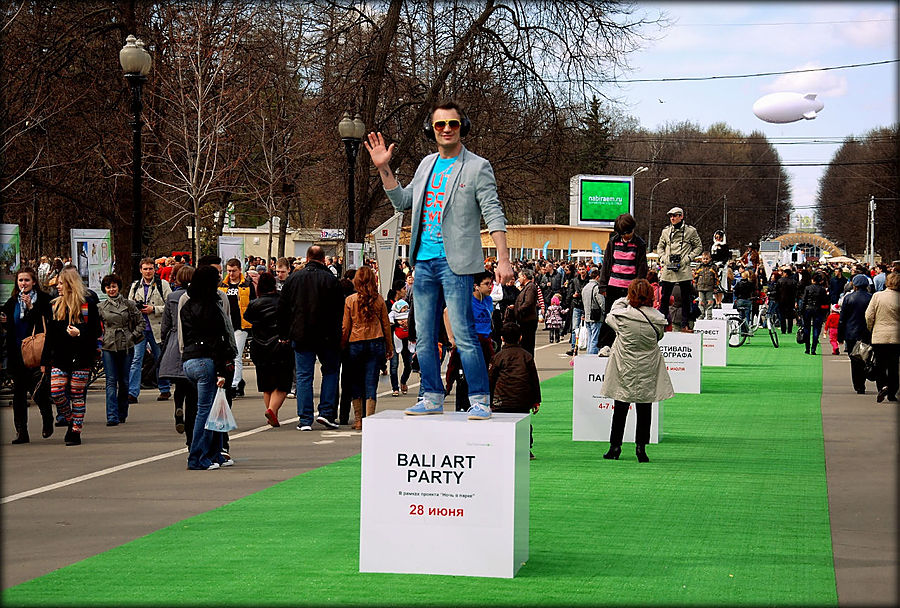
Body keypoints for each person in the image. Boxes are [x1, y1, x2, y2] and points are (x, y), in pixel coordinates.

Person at [365, 99, 512, 420]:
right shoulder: (427, 164)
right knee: (424, 336)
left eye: (453, 124)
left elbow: (493, 211)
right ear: (432, 130)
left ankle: (480, 399)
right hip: (424, 261)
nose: (446, 129)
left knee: (462, 332)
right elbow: (404, 200)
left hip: (456, 263)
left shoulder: (477, 166)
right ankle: (431, 394)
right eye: (440, 124)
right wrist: (383, 168)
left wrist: (503, 258)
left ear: (463, 127)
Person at [599, 278, 673, 463]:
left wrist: (626, 299)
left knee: (620, 408)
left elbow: (610, 314)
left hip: (625, 366)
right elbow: (660, 337)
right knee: (645, 408)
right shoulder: (657, 319)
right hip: (647, 366)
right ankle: (641, 448)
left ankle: (615, 447)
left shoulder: (622, 316)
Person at [277, 245, 345, 431]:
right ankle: (326, 412)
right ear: (323, 260)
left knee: (304, 376)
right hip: (327, 335)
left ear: (307, 259)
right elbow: (340, 310)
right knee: (330, 372)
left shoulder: (294, 279)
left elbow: (283, 308)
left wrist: (284, 333)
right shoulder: (331, 280)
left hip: (301, 333)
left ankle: (305, 418)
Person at [179, 265, 237, 470]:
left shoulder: (187, 304)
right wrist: (222, 370)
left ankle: (213, 454)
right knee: (207, 411)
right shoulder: (212, 306)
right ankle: (197, 457)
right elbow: (217, 340)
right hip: (207, 360)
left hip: (190, 360)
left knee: (210, 410)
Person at [41, 267, 101, 446]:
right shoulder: (55, 305)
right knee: (57, 392)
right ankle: (71, 419)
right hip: (60, 357)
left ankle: (75, 430)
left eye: (61, 283)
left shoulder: (86, 304)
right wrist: (45, 360)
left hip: (82, 356)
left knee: (77, 394)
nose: (58, 287)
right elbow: (50, 336)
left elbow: (96, 331)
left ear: (70, 284)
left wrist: (80, 333)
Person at [2, 267, 54, 444]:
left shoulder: (43, 300)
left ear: (34, 282)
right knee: (19, 394)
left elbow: (45, 322)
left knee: (38, 391)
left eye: (27, 280)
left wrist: (31, 307)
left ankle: (47, 420)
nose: (23, 284)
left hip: (36, 351)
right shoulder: (12, 302)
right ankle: (21, 432)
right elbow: (10, 324)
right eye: (20, 281)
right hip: (18, 353)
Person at [341, 266, 393, 428]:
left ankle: (358, 420)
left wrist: (342, 345)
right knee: (371, 382)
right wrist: (389, 347)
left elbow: (345, 327)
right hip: (375, 341)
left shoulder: (350, 300)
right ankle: (369, 419)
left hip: (355, 342)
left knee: (356, 381)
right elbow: (386, 325)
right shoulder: (379, 300)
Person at [244, 272, 293, 427]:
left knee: (267, 385)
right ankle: (272, 410)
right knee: (282, 384)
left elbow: (248, 318)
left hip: (259, 346)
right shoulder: (282, 301)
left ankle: (272, 413)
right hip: (280, 345)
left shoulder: (254, 304)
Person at [488, 322, 541, 459]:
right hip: (522, 399)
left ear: (502, 338)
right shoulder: (527, 356)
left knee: (501, 424)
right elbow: (534, 380)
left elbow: (491, 379)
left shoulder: (498, 357)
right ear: (521, 337)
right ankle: (525, 449)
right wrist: (536, 401)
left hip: (501, 399)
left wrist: (488, 400)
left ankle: (500, 448)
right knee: (523, 424)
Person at [446, 271, 496, 411]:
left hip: (485, 343)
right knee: (466, 379)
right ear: (476, 286)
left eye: (491, 283)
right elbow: (446, 313)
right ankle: (464, 407)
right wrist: (452, 338)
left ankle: (483, 405)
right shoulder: (466, 300)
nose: (490, 287)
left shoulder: (488, 300)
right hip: (470, 344)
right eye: (486, 284)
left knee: (486, 376)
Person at [97, 273, 143, 426]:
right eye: (108, 287)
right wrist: (99, 340)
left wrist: (132, 335)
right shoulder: (101, 307)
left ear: (119, 287)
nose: (111, 289)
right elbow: (96, 327)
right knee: (111, 381)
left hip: (126, 344)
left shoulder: (129, 304)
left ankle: (122, 411)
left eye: (114, 286)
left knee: (124, 381)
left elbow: (141, 323)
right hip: (109, 345)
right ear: (105, 289)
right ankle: (112, 415)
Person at [158, 265, 197, 440]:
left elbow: (165, 324)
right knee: (191, 385)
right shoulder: (196, 297)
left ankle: (177, 408)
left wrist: (165, 341)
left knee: (179, 384)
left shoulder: (172, 297)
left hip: (174, 339)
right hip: (191, 340)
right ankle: (188, 416)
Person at [598, 213, 647, 348]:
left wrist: (638, 288)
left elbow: (642, 268)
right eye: (623, 234)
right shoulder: (613, 242)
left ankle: (627, 346)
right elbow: (606, 264)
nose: (626, 236)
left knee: (630, 318)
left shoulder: (639, 244)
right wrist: (603, 286)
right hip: (613, 286)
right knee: (610, 317)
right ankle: (605, 346)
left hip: (630, 289)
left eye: (629, 232)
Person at [126, 257, 172, 403]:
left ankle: (164, 389)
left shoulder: (162, 285)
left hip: (157, 328)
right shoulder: (135, 286)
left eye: (150, 268)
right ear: (141, 270)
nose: (148, 272)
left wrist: (154, 309)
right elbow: (129, 306)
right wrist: (136, 309)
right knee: (136, 360)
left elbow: (170, 306)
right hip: (140, 329)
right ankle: (132, 392)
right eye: (145, 269)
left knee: (160, 359)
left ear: (155, 269)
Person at [656, 207, 703, 332]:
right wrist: (664, 258)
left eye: (675, 215)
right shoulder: (665, 232)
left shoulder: (690, 231)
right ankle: (662, 324)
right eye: (671, 216)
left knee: (686, 298)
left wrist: (688, 258)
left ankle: (684, 325)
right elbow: (659, 247)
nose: (672, 218)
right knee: (664, 298)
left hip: (683, 268)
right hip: (668, 268)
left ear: (681, 216)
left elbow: (699, 247)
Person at [219, 258, 256, 398]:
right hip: (226, 324)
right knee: (227, 356)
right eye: (229, 270)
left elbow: (252, 303)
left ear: (240, 270)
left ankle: (234, 384)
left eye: (234, 270)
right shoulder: (222, 285)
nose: (231, 273)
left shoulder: (246, 285)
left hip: (241, 325)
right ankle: (237, 381)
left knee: (237, 355)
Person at [865, 272, 899, 403]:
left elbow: (869, 315)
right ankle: (892, 392)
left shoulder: (877, 296)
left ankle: (883, 386)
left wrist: (871, 328)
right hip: (896, 337)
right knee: (894, 366)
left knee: (880, 364)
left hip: (879, 335)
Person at [838, 274, 874, 395]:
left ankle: (858, 385)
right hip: (867, 332)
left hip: (851, 332)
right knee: (866, 357)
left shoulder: (848, 298)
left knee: (854, 359)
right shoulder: (871, 297)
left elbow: (842, 318)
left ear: (855, 285)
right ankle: (863, 379)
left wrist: (840, 335)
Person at [511, 268, 540, 356]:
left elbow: (528, 302)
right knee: (525, 344)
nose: (518, 279)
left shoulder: (530, 287)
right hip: (525, 320)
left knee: (528, 344)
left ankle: (528, 362)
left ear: (524, 276)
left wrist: (518, 309)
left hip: (528, 320)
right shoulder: (527, 287)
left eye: (519, 277)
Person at [800, 272, 830, 355]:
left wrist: (801, 311)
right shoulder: (822, 289)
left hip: (808, 309)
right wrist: (825, 312)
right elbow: (826, 301)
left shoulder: (807, 288)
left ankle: (807, 348)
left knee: (807, 329)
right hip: (818, 309)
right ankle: (813, 349)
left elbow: (804, 300)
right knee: (816, 329)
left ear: (812, 280)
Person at [565, 264, 589, 355]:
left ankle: (587, 346)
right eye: (580, 269)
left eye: (583, 269)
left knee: (587, 328)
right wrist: (572, 296)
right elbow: (570, 293)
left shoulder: (589, 281)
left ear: (586, 270)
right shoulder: (575, 280)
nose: (582, 271)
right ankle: (574, 348)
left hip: (586, 306)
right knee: (575, 328)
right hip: (577, 305)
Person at [581, 269, 605, 354]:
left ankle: (588, 355)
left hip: (587, 315)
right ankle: (592, 357)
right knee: (595, 340)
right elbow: (601, 302)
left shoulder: (585, 287)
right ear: (598, 277)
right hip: (596, 316)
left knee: (590, 339)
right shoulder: (596, 288)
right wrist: (605, 312)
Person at [694, 251, 719, 320]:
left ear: (710, 259)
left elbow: (716, 278)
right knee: (701, 302)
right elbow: (696, 277)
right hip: (700, 287)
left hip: (710, 288)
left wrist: (716, 286)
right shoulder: (699, 267)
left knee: (710, 302)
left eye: (707, 259)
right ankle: (701, 314)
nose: (705, 260)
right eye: (704, 259)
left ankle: (709, 315)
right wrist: (695, 285)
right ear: (701, 259)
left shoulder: (713, 267)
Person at [776, 267, 799, 334]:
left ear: (785, 273)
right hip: (790, 300)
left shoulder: (780, 281)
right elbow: (796, 292)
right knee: (790, 316)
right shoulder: (794, 282)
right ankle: (789, 329)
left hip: (781, 300)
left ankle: (783, 330)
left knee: (782, 316)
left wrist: (777, 299)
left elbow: (777, 291)